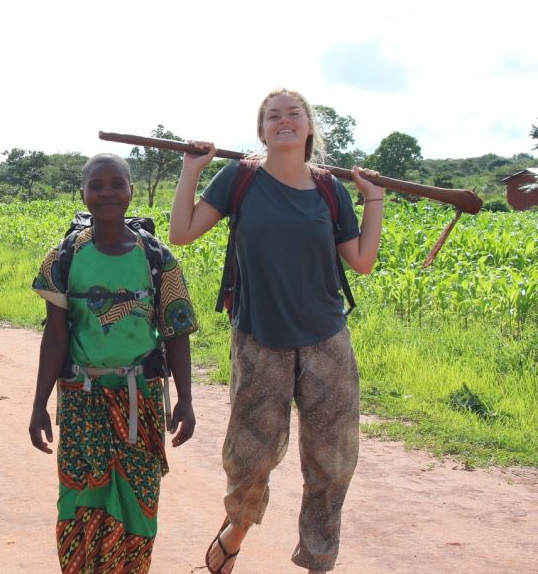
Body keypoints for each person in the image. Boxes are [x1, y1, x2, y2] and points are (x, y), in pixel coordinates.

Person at [168, 88, 384, 574]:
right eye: (273, 116)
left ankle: (318, 559)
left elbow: (361, 261)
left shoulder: (330, 189)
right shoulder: (239, 178)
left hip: (327, 340)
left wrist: (374, 199)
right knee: (251, 456)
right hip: (259, 339)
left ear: (308, 127)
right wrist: (191, 170)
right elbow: (182, 232)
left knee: (332, 460)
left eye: (293, 113)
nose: (284, 120)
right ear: (261, 131)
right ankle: (238, 526)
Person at [29, 153, 197, 573]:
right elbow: (56, 336)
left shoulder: (158, 259)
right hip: (81, 400)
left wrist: (186, 400)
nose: (107, 193)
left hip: (141, 402)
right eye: (97, 185)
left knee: (138, 504)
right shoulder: (63, 258)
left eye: (116, 184)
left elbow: (175, 333)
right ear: (82, 194)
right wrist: (38, 405)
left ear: (131, 190)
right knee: (79, 500)